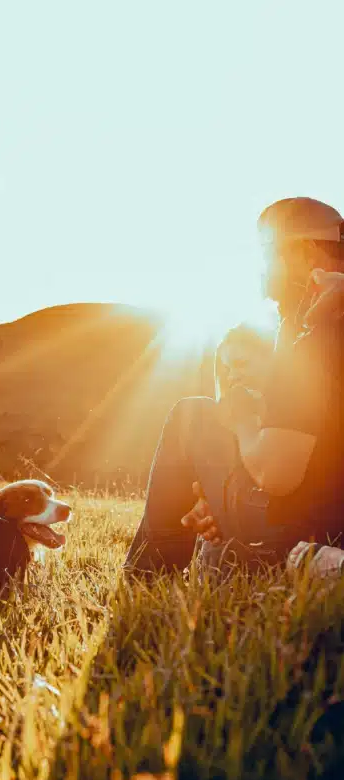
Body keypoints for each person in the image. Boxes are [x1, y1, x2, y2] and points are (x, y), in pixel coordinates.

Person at [124, 197, 344, 576]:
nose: (263, 276)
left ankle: (144, 579)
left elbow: (278, 473)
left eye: (268, 255)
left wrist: (242, 419)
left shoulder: (315, 330)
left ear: (305, 255)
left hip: (309, 526)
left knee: (192, 415)